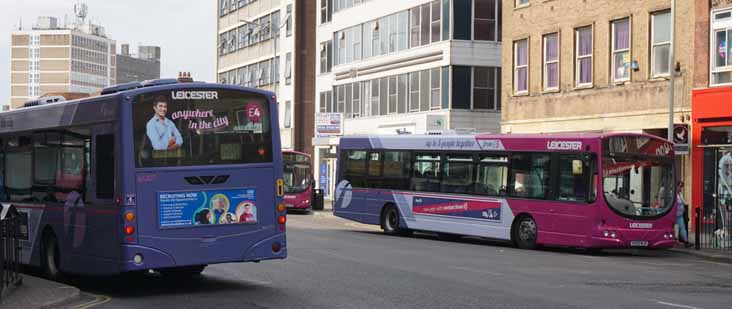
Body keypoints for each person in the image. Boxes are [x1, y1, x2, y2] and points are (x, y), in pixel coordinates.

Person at [676, 181, 693, 248]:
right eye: (680, 187)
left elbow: (683, 202)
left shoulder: (680, 194)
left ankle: (686, 242)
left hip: (679, 215)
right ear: (676, 186)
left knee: (683, 228)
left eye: (681, 187)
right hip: (674, 215)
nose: (681, 188)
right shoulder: (673, 194)